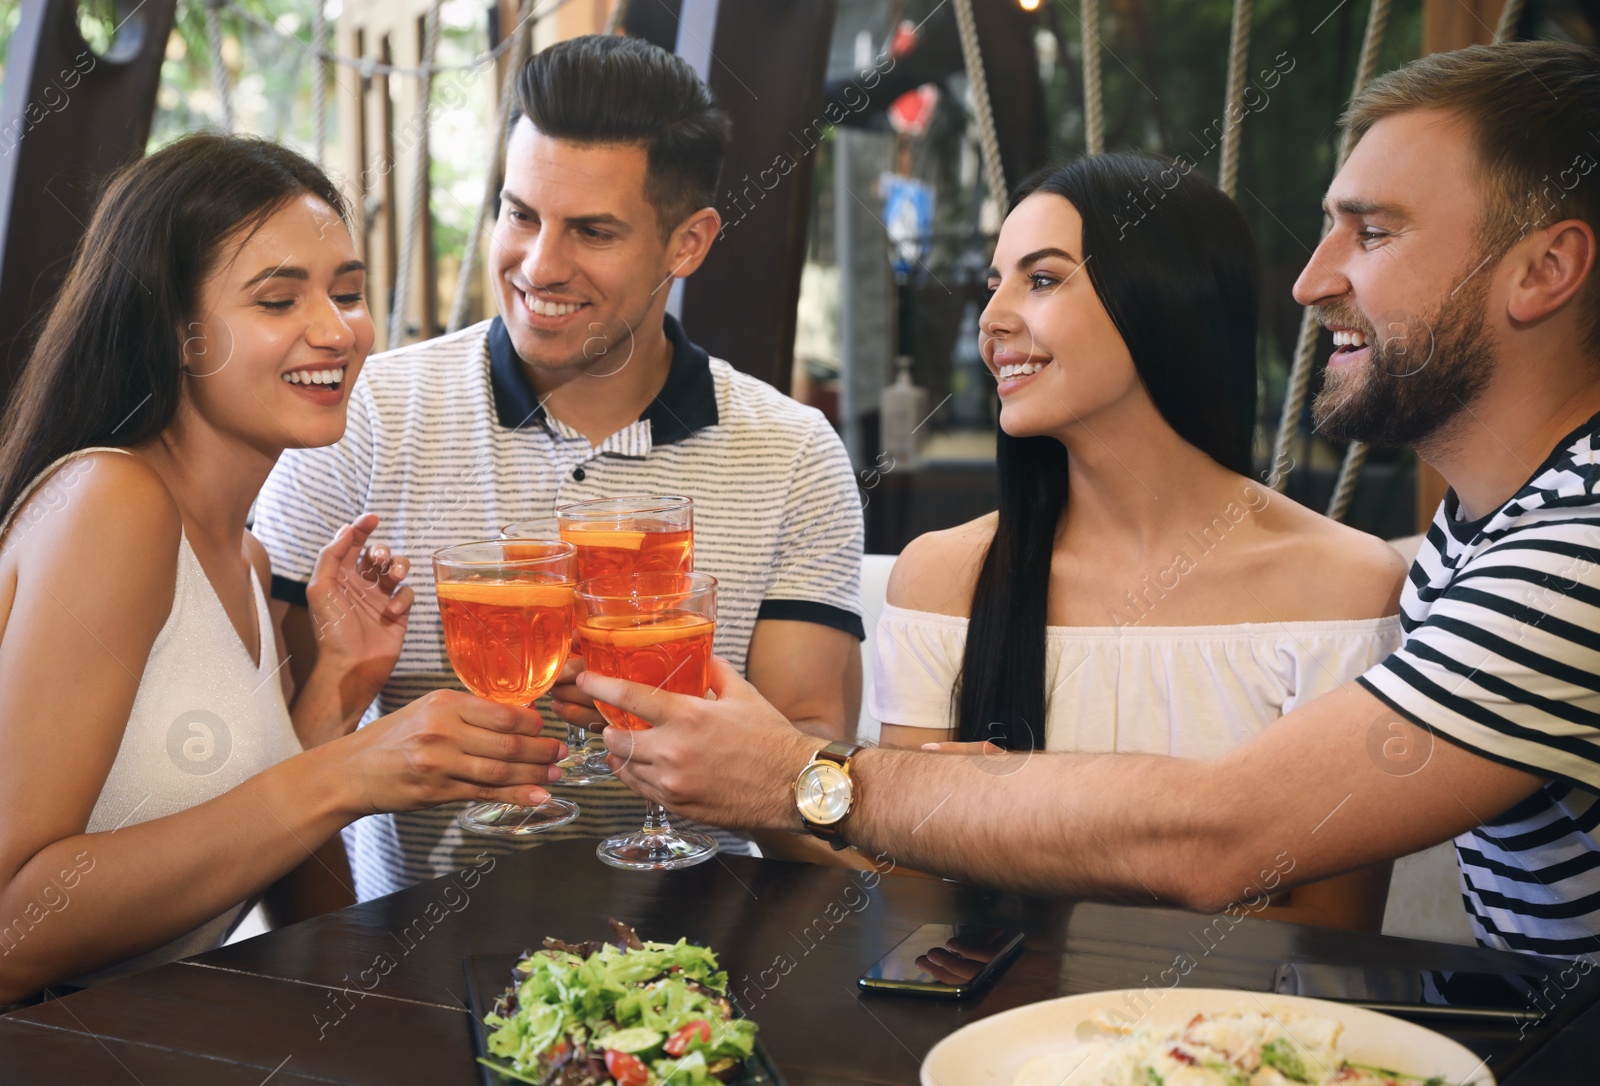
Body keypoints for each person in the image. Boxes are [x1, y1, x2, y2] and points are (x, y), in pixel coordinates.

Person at [588, 41, 1600, 959]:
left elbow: (1228, 840)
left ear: (1545, 270)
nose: (1307, 280)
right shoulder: (1478, 539)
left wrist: (805, 777)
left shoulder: (1572, 555)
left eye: (1371, 234)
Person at [251, 34, 864, 900]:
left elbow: (809, 773)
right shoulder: (363, 417)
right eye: (520, 214)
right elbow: (270, 771)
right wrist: (332, 985)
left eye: (593, 231)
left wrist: (687, 723)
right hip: (405, 970)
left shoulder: (794, 454)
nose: (540, 265)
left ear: (687, 243)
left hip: (693, 972)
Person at [0, 135, 564, 1005]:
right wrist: (344, 772)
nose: (336, 331)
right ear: (179, 337)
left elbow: (231, 840)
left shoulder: (246, 554)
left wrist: (337, 691)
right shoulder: (112, 505)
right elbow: (12, 931)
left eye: (348, 293)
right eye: (277, 300)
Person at [868, 152, 1406, 931]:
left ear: (1164, 300)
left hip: (1227, 1041)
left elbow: (1327, 930)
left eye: (1042, 279)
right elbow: (914, 900)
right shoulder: (942, 577)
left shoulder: (1344, 585)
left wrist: (1015, 823)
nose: (991, 319)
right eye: (995, 284)